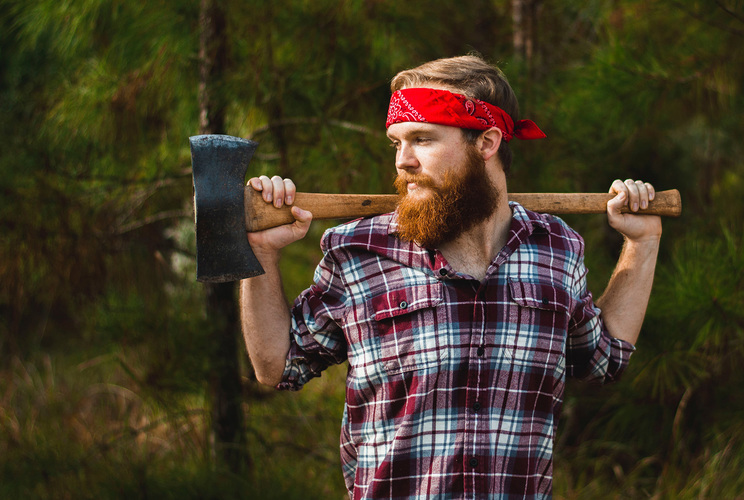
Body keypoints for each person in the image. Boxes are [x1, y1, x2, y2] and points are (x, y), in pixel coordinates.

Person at [240, 55, 662, 499]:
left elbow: (602, 358)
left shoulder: (556, 248)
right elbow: (276, 366)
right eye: (396, 143)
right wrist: (262, 252)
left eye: (422, 139)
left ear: (487, 142)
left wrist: (642, 243)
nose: (403, 161)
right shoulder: (357, 251)